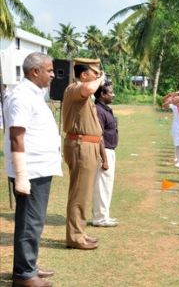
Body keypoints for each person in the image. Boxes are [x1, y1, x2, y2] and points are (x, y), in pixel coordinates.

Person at [4, 52, 61, 287]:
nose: (52, 75)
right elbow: (17, 137)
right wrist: (22, 175)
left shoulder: (34, 94)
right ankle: (24, 274)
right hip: (31, 170)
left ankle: (29, 265)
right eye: (49, 71)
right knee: (30, 221)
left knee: (34, 220)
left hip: (40, 168)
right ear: (34, 71)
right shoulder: (21, 96)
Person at [62, 58, 105, 250]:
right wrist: (100, 79)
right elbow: (89, 89)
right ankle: (75, 237)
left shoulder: (81, 91)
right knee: (79, 193)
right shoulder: (75, 88)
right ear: (83, 75)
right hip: (81, 145)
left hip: (88, 145)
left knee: (84, 193)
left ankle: (80, 232)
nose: (98, 77)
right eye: (94, 74)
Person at [92, 81, 119, 228]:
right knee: (102, 186)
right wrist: (104, 158)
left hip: (110, 150)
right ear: (102, 94)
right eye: (110, 92)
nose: (113, 95)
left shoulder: (105, 109)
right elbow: (98, 136)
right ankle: (100, 218)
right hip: (105, 151)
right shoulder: (98, 110)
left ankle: (104, 215)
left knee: (107, 185)